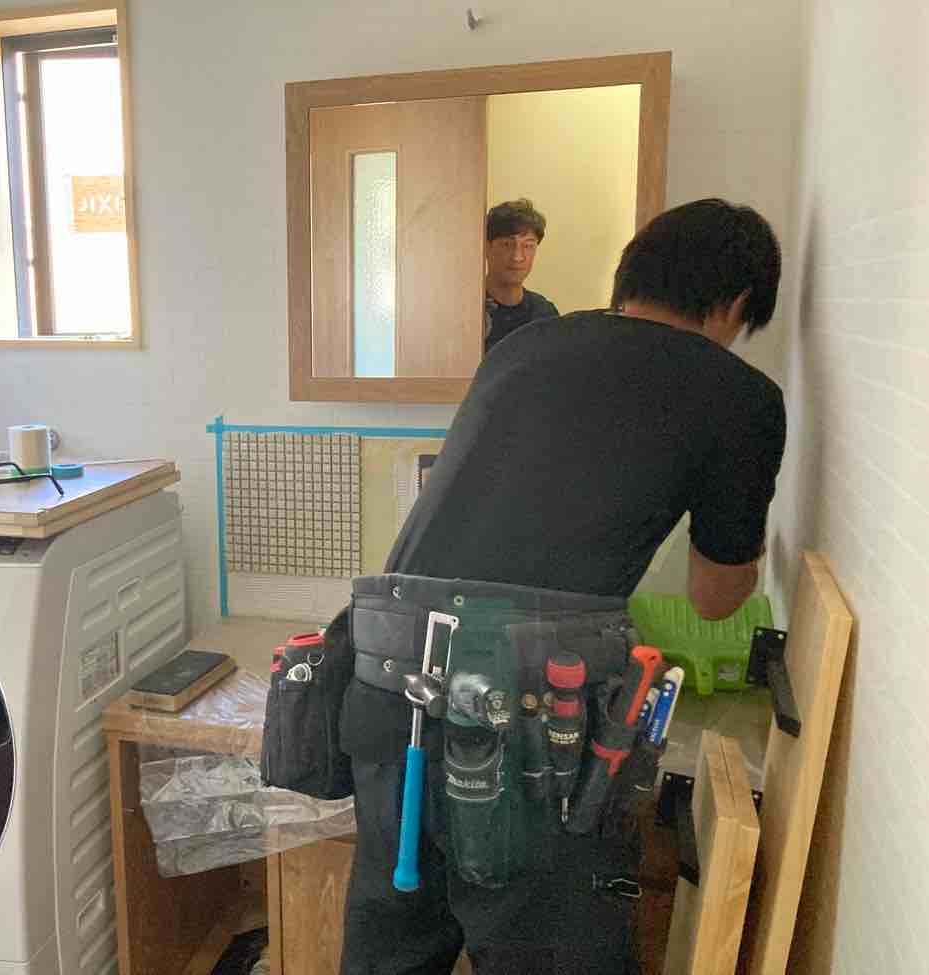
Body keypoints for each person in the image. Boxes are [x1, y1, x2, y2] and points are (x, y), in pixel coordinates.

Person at [339, 198, 786, 974]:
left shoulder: (526, 345)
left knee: (392, 951)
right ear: (735, 303)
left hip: (388, 682)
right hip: (528, 719)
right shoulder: (738, 395)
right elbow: (716, 597)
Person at [483, 199, 560, 356]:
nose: (518, 257)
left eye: (528, 246)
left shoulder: (544, 313)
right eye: (507, 244)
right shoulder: (468, 308)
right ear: (486, 247)